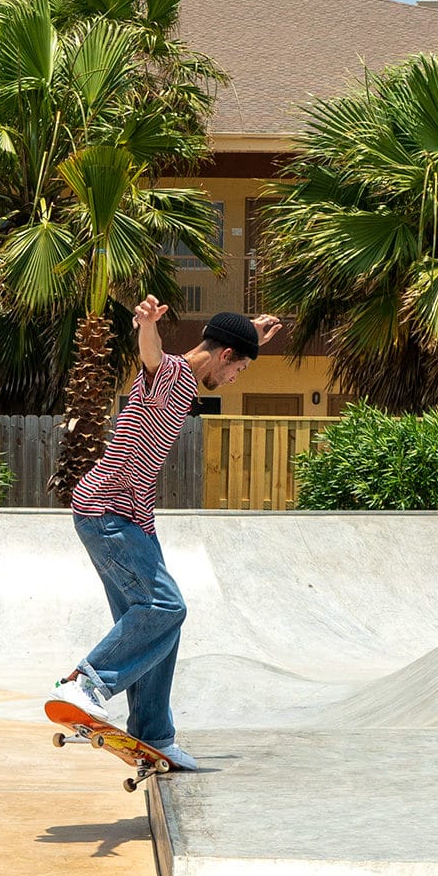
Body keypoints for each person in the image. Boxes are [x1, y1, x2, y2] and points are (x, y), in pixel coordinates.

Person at [50, 298, 282, 770]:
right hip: (106, 513)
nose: (235, 380)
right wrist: (147, 326)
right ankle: (86, 683)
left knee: (161, 627)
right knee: (165, 606)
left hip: (130, 520)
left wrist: (250, 334)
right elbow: (154, 356)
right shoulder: (174, 373)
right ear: (223, 356)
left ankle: (154, 736)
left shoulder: (190, 375)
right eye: (238, 370)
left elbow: (210, 344)